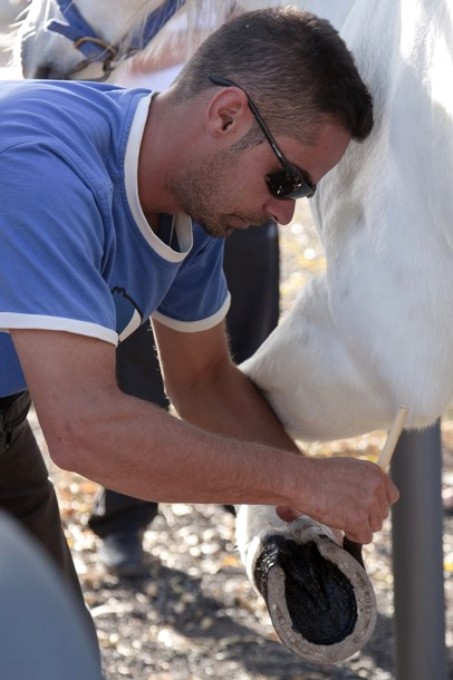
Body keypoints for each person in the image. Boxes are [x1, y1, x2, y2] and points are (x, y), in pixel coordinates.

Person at [0, 6, 399, 658]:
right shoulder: (44, 170)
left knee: (54, 657)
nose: (284, 216)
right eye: (286, 181)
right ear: (225, 116)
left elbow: (203, 380)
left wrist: (301, 518)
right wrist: (299, 483)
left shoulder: (186, 204)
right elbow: (83, 431)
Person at [88, 0, 280, 577]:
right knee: (126, 347)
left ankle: (256, 497)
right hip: (133, 148)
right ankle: (123, 513)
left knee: (243, 340)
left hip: (242, 152)